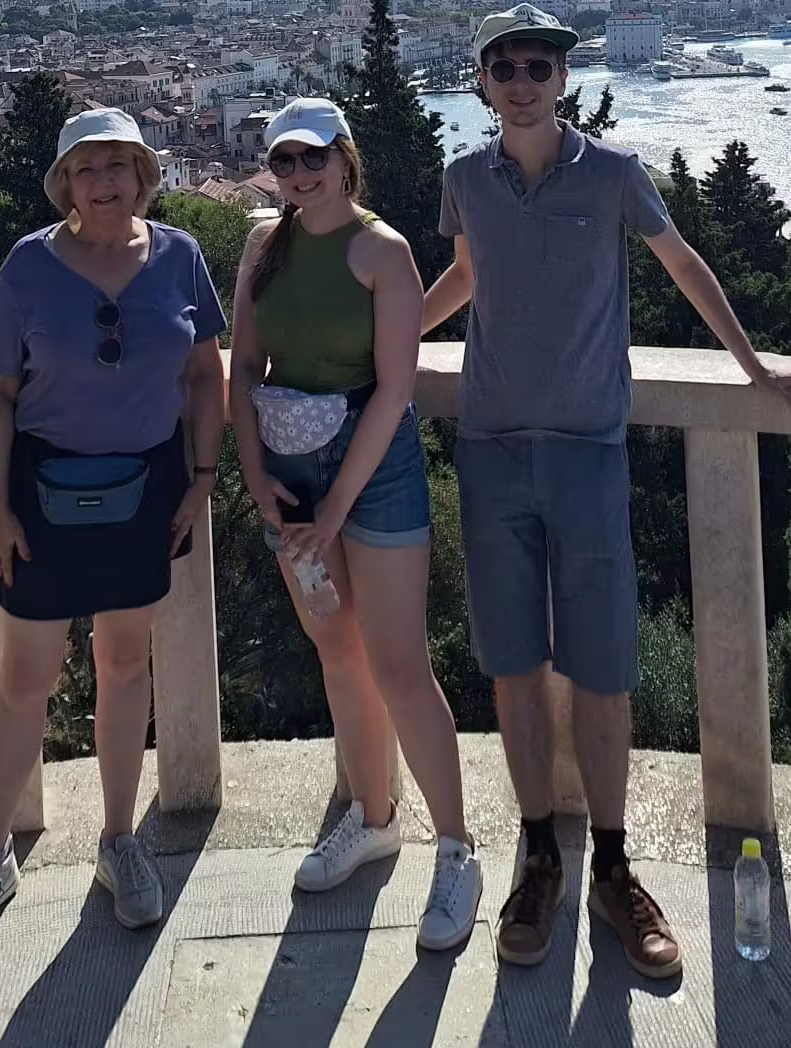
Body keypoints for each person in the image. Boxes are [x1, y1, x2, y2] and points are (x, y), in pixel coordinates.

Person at [422, 6, 791, 979]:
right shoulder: (462, 181)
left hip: (587, 452)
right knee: (515, 669)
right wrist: (381, 346)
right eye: (504, 66)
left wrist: (754, 369)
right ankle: (537, 856)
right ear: (483, 82)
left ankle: (610, 863)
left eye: (539, 65)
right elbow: (467, 277)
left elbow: (682, 263)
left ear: (562, 79)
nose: (522, 80)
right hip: (491, 451)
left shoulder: (611, 174)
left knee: (603, 674)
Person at [0, 108, 227, 954]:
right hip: (42, 494)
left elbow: (205, 371)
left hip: (149, 488)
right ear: (65, 185)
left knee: (124, 663)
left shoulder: (179, 257)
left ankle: (119, 841)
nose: (105, 183)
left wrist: (204, 475)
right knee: (25, 677)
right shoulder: (29, 266)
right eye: (87, 169)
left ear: (145, 176)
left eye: (119, 167)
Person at [229, 97, 483, 952]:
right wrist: (257, 474)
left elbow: (396, 389)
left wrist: (334, 506)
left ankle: (457, 849)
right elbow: (246, 368)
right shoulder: (265, 245)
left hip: (373, 473)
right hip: (291, 469)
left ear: (345, 158)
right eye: (285, 162)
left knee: (401, 661)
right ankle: (374, 818)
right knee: (337, 649)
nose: (299, 176)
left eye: (313, 159)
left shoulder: (384, 252)